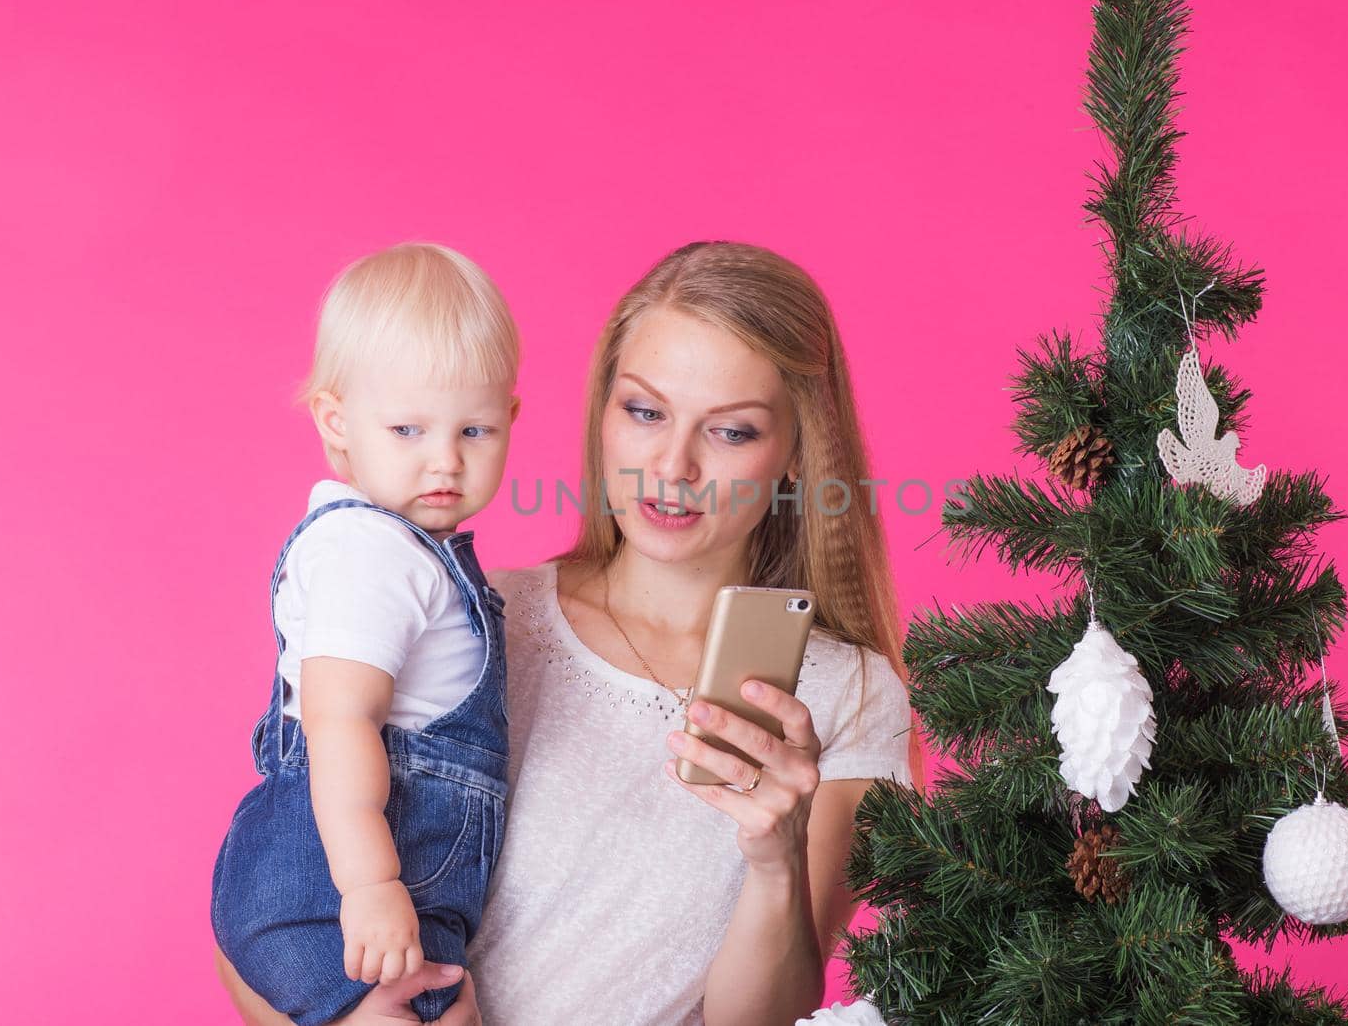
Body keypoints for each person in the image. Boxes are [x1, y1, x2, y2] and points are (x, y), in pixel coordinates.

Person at [216, 240, 918, 1025]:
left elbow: (756, 1020)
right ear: (603, 412)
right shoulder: (476, 626)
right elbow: (268, 896)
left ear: (795, 450)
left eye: (731, 431)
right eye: (645, 411)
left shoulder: (846, 696)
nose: (672, 465)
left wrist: (777, 858)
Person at [211, 243, 523, 1025]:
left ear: (512, 419)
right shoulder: (371, 551)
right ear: (337, 420)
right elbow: (338, 720)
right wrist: (371, 885)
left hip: (383, 890)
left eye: (476, 430)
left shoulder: (412, 548)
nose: (444, 459)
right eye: (408, 429)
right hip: (334, 885)